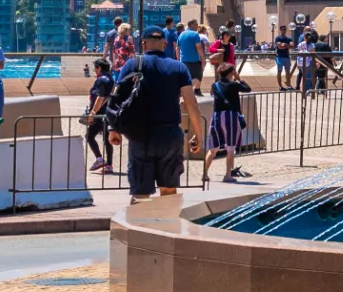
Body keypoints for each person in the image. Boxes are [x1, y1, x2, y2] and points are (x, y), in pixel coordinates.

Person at [109, 29, 192, 201]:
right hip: (169, 134)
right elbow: (191, 103)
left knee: (140, 194)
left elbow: (117, 97)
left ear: (143, 44)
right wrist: (198, 133)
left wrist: (113, 129)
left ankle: (136, 226)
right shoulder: (179, 67)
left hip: (140, 134)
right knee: (169, 191)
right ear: (165, 44)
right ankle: (167, 226)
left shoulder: (132, 64)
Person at [202, 65, 254, 187]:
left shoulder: (214, 86)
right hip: (230, 117)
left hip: (217, 117)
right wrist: (239, 78)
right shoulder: (233, 85)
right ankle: (227, 175)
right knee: (230, 148)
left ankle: (205, 173)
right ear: (231, 73)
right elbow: (248, 89)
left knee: (213, 148)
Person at [83, 58, 118, 174]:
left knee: (89, 136)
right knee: (107, 139)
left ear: (99, 68)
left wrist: (93, 113)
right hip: (108, 113)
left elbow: (100, 97)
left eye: (95, 68)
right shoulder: (111, 79)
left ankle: (99, 159)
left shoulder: (101, 80)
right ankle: (109, 164)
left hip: (100, 114)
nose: (94, 70)